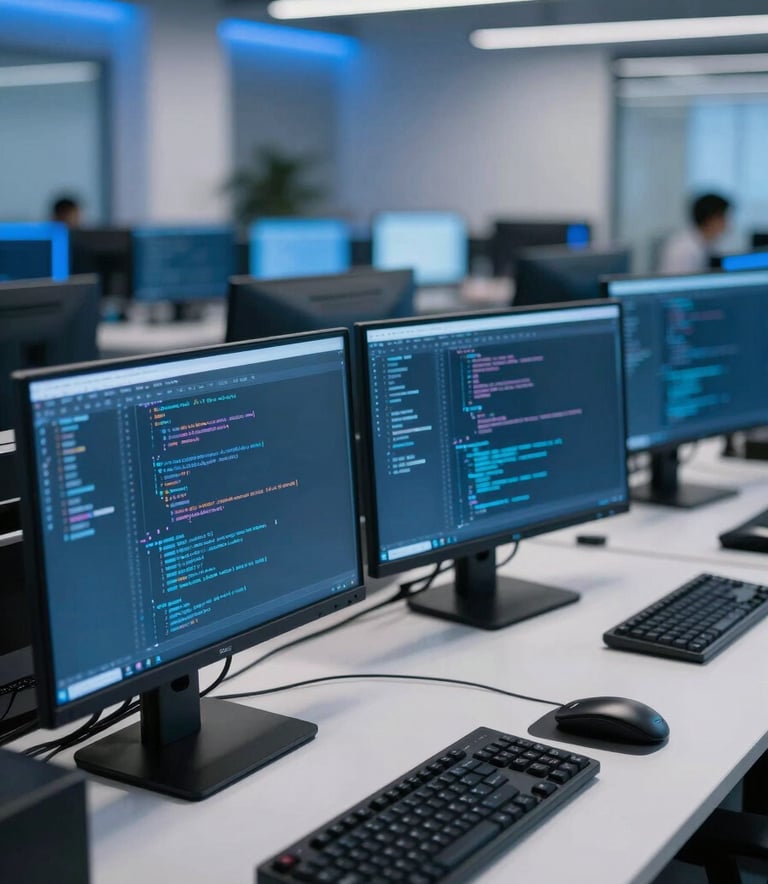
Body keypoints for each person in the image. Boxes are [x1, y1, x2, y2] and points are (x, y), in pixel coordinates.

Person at [658, 193, 731, 275]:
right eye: (723, 218)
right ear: (710, 220)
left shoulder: (707, 245)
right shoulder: (684, 249)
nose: (727, 223)